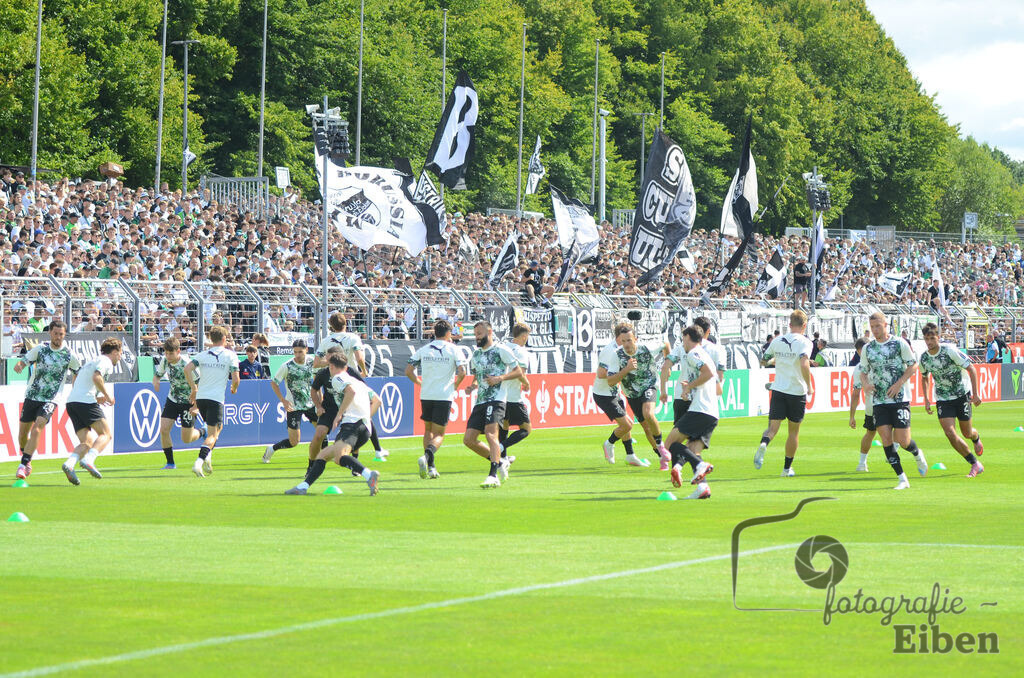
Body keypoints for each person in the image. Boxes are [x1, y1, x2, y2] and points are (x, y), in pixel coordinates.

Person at [285, 353, 381, 496]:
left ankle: (368, 475)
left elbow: (350, 392)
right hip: (365, 428)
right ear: (346, 367)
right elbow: (377, 401)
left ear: (331, 366)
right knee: (323, 455)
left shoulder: (337, 377)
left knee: (340, 457)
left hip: (351, 425)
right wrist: (365, 417)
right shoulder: (358, 381)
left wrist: (339, 414)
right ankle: (302, 487)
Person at [860, 311, 928, 490]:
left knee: (903, 440)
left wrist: (899, 383)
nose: (874, 330)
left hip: (900, 398)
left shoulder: (899, 343)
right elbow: (863, 371)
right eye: (872, 327)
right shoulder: (868, 348)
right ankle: (902, 478)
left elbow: (914, 364)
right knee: (885, 438)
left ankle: (917, 453)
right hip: (879, 400)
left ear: (885, 325)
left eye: (877, 326)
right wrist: (866, 385)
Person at [315, 312, 388, 459]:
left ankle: (372, 451)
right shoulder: (353, 338)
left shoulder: (326, 340)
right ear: (346, 323)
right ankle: (376, 451)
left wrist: (331, 362)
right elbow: (359, 357)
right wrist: (364, 370)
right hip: (351, 376)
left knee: (353, 415)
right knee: (362, 411)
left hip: (334, 380)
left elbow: (316, 363)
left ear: (330, 325)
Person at [13, 320, 80, 480]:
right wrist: (20, 365)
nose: (58, 337)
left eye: (61, 335)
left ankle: (23, 464)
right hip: (32, 395)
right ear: (50, 333)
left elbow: (78, 371)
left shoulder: (69, 354)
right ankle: (27, 457)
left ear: (65, 335)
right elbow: (26, 360)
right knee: (22, 435)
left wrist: (75, 389)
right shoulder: (41, 349)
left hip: (51, 398)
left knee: (38, 426)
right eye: (56, 334)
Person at [919, 323, 985, 477]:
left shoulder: (949, 351)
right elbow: (924, 377)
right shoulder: (924, 358)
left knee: (967, 433)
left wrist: (975, 394)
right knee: (949, 432)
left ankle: (975, 438)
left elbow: (971, 369)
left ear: (938, 337)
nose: (929, 342)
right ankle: (974, 463)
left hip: (962, 395)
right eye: (926, 339)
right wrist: (927, 399)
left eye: (932, 338)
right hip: (943, 399)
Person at [462, 320, 523, 488]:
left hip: (497, 399)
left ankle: (493, 475)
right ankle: (500, 461)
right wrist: (473, 386)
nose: (477, 337)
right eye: (475, 335)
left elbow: (518, 370)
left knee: (491, 435)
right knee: (468, 440)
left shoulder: (500, 350)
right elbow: (477, 377)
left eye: (479, 334)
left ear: (489, 332)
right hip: (480, 400)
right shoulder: (476, 355)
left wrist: (500, 378)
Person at [753, 310, 814, 476]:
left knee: (772, 429)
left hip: (778, 389)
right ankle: (786, 469)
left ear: (789, 324)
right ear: (804, 325)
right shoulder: (805, 342)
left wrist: (776, 360)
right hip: (796, 390)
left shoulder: (778, 340)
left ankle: (764, 443)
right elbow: (803, 363)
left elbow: (763, 360)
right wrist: (809, 385)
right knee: (793, 432)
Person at [405, 319, 466, 479]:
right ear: (448, 333)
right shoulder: (454, 349)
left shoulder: (424, 349)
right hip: (443, 395)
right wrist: (455, 385)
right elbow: (462, 372)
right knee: (439, 434)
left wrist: (419, 383)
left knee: (428, 430)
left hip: (426, 394)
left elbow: (408, 371)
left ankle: (431, 467)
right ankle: (426, 457)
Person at [61, 338, 122, 485]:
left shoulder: (92, 361)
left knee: (87, 441)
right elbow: (96, 377)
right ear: (114, 352)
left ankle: (69, 463)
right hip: (84, 401)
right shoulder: (105, 361)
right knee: (106, 434)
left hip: (72, 402)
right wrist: (107, 395)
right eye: (119, 354)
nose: (120, 357)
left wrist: (98, 398)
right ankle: (89, 459)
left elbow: (81, 382)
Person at [665, 326, 717, 499]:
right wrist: (690, 389)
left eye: (682, 338)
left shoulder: (693, 353)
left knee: (669, 444)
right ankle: (703, 489)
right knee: (693, 449)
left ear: (687, 337)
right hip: (711, 411)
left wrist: (689, 386)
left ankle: (699, 465)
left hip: (700, 409)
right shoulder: (703, 353)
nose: (682, 342)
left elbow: (708, 373)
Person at [184, 325, 240, 478]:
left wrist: (193, 387)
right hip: (216, 399)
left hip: (201, 398)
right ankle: (199, 461)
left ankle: (208, 456)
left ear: (210, 338)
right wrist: (234, 388)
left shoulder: (202, 354)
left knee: (218, 427)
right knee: (212, 435)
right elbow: (236, 378)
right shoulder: (230, 355)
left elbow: (187, 369)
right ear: (224, 339)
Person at [152, 336, 207, 470]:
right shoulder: (165, 361)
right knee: (164, 430)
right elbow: (157, 375)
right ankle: (170, 463)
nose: (168, 356)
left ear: (178, 351)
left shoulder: (187, 364)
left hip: (188, 402)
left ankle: (202, 431)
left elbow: (201, 383)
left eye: (171, 353)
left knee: (186, 439)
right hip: (173, 399)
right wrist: (156, 381)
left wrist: (196, 405)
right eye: (166, 353)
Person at [593, 322, 641, 466]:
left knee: (628, 424)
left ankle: (630, 455)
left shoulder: (624, 350)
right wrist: (625, 371)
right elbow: (601, 374)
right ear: (618, 338)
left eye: (629, 338)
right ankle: (609, 443)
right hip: (604, 394)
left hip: (614, 392)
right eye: (624, 339)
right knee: (627, 425)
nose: (627, 342)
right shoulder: (610, 351)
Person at [263, 339, 317, 463]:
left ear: (307, 350)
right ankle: (272, 449)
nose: (297, 355)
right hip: (293, 406)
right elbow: (274, 383)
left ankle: (321, 460)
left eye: (300, 352)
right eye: (295, 352)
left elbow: (317, 379)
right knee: (294, 442)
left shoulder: (312, 362)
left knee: (322, 431)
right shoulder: (287, 366)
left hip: (311, 404)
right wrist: (283, 400)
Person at [498, 322, 532, 464]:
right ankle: (500, 447)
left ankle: (503, 457)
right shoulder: (521, 352)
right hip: (513, 397)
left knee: (505, 425)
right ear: (524, 336)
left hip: (500, 395)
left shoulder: (503, 347)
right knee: (526, 429)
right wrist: (526, 383)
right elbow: (520, 373)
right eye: (527, 336)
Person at [308, 346, 343, 470]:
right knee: (318, 435)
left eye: (330, 357)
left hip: (346, 409)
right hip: (329, 409)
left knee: (349, 437)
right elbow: (313, 390)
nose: (327, 360)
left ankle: (355, 462)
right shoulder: (323, 373)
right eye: (327, 357)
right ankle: (311, 465)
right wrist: (318, 406)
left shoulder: (349, 372)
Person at [848, 338, 876, 472]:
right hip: (885, 403)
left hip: (872, 406)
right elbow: (856, 393)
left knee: (870, 433)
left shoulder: (858, 368)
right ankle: (894, 448)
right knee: (894, 429)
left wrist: (852, 416)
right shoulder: (877, 361)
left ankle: (862, 463)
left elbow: (855, 394)